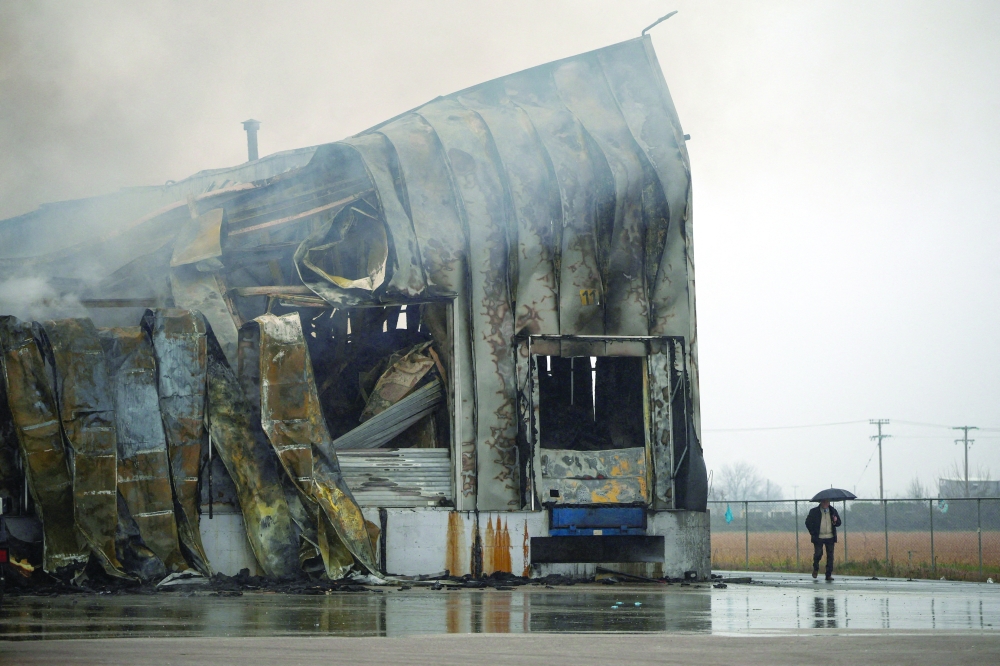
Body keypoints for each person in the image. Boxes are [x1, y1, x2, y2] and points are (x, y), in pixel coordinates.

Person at [805, 499, 841, 581]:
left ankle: (828, 575)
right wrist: (813, 533)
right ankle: (816, 568)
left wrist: (835, 521)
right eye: (824, 502)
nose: (825, 503)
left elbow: (839, 523)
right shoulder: (814, 511)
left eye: (827, 502)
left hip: (830, 537)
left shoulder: (833, 511)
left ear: (829, 502)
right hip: (818, 537)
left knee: (830, 556)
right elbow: (808, 522)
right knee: (818, 553)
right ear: (820, 502)